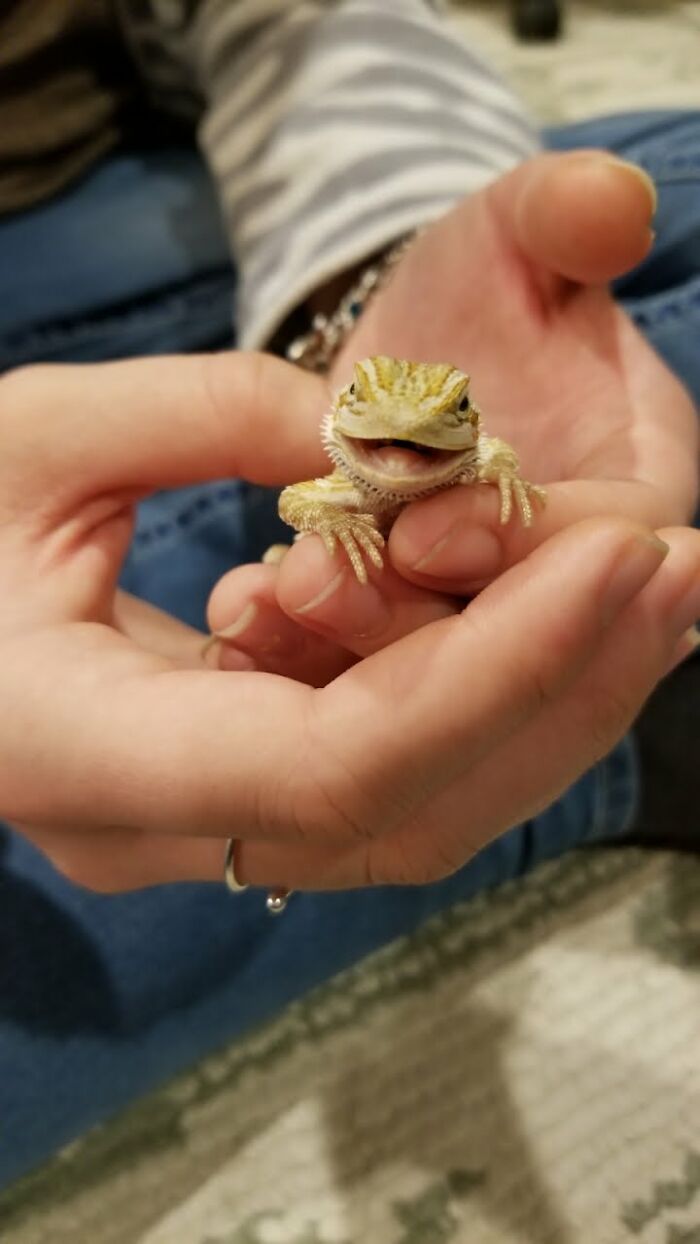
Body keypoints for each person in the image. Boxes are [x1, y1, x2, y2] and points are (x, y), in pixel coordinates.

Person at [0, 0, 698, 1191]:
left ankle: (541, 710)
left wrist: (367, 259)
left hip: (147, 196)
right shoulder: (350, 477)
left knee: (628, 215)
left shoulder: (454, 451)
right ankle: (598, 722)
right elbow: (304, 504)